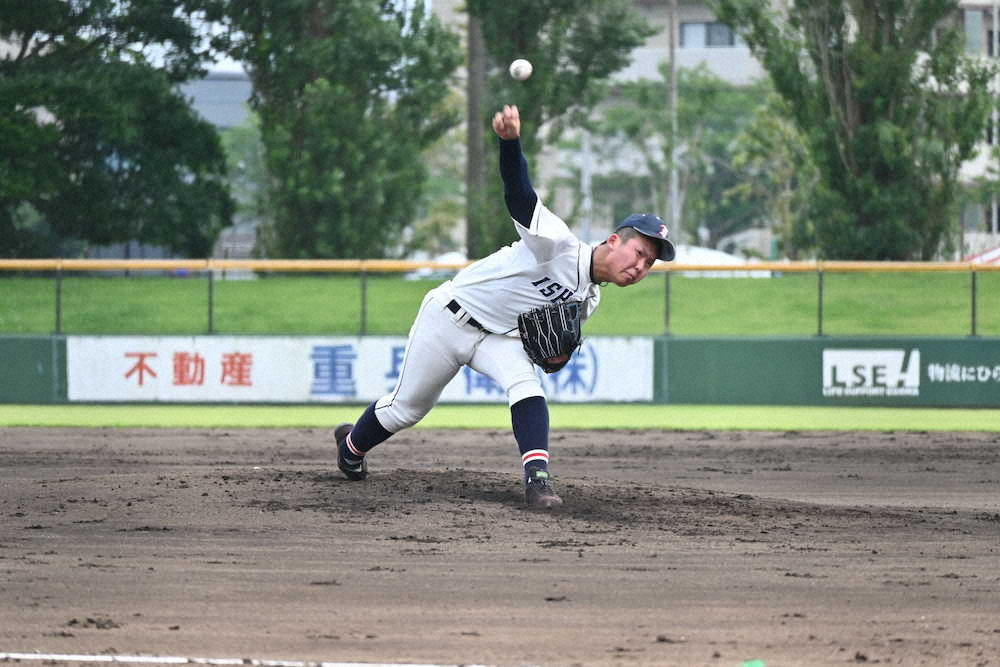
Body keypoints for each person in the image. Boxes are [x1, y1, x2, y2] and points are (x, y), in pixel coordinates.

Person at [335, 104, 675, 508]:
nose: (640, 266)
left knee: (527, 386)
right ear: (614, 240)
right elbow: (520, 196)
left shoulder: (590, 299)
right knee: (406, 410)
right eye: (638, 252)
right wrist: (510, 143)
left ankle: (537, 481)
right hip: (450, 317)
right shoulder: (558, 246)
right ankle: (351, 447)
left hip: (497, 337)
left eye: (649, 263)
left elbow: (543, 348)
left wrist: (554, 356)